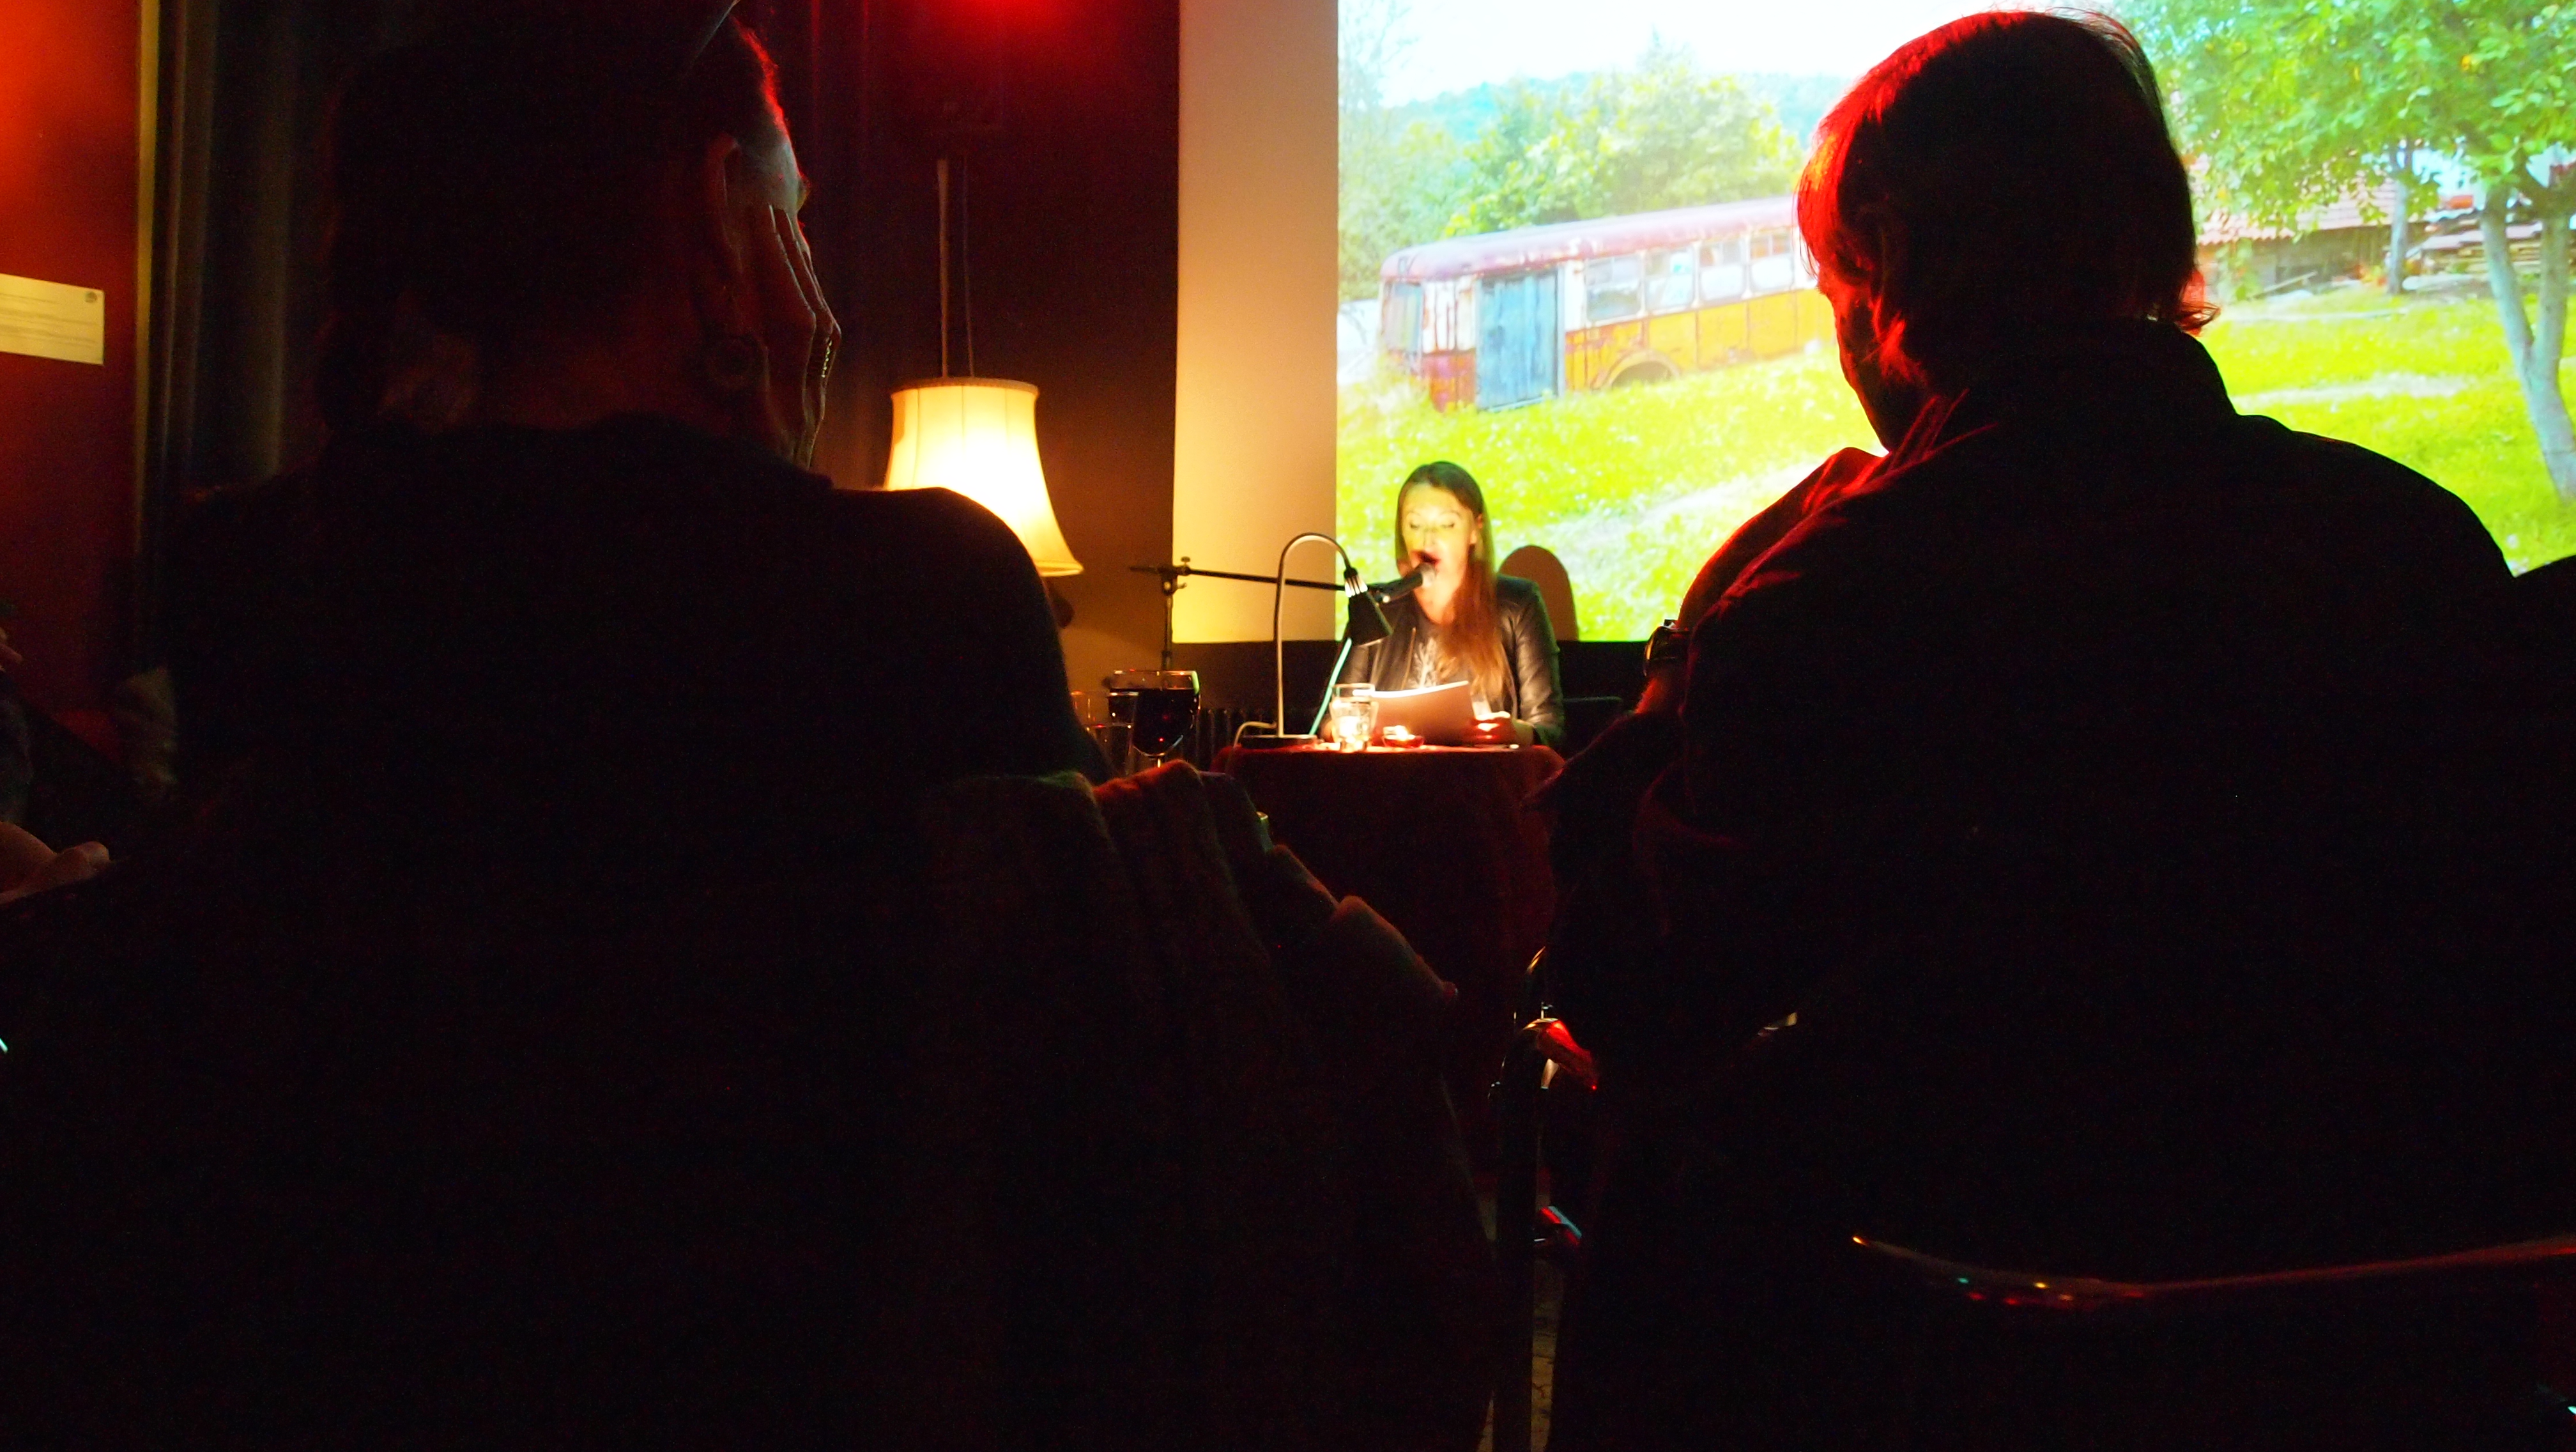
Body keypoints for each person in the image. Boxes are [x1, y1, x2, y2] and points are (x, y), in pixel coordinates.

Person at [0, 4, 1098, 1440]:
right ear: (715, 207)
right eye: (794, 220)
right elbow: (1077, 1102)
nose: (809, 269)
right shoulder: (924, 587)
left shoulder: (265, 575)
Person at [1546, 13, 2576, 1448]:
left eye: (1833, 282)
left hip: (1963, 1365)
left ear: (1888, 265)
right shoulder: (2416, 544)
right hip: (2397, 1365)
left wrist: (1685, 656)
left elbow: (1625, 994)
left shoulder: (1836, 598)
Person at [1335, 461, 1565, 745]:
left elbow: (1550, 730)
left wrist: (1516, 732)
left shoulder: (1518, 604)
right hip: (1392, 771)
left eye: (1447, 524)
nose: (1428, 539)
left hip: (1483, 771)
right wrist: (1354, 730)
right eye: (1415, 525)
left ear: (1475, 530)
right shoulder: (1378, 606)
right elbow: (1333, 719)